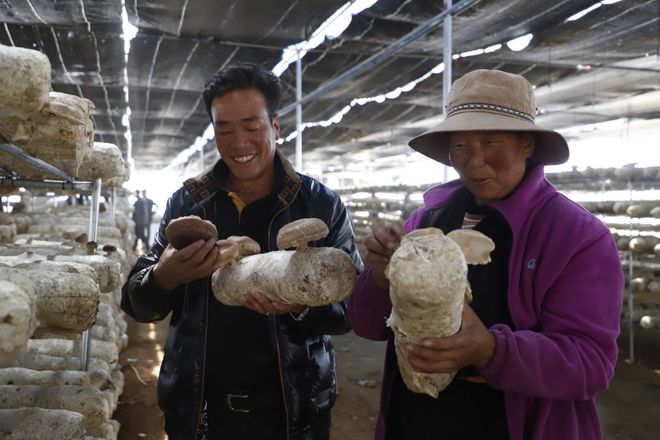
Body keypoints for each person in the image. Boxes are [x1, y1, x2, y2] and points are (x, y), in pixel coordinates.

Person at [347, 69, 623, 440]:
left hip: (510, 425)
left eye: (490, 141)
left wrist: (492, 351)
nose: (474, 161)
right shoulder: (425, 222)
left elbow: (590, 364)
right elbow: (366, 325)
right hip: (416, 419)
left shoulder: (576, 236)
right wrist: (379, 276)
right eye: (459, 146)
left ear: (527, 144)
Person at [121, 62, 362, 440]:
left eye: (251, 126)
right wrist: (166, 276)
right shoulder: (188, 204)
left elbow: (353, 310)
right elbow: (136, 303)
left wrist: (300, 305)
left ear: (275, 125)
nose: (238, 143)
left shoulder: (320, 205)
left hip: (295, 408)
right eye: (224, 128)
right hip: (201, 408)